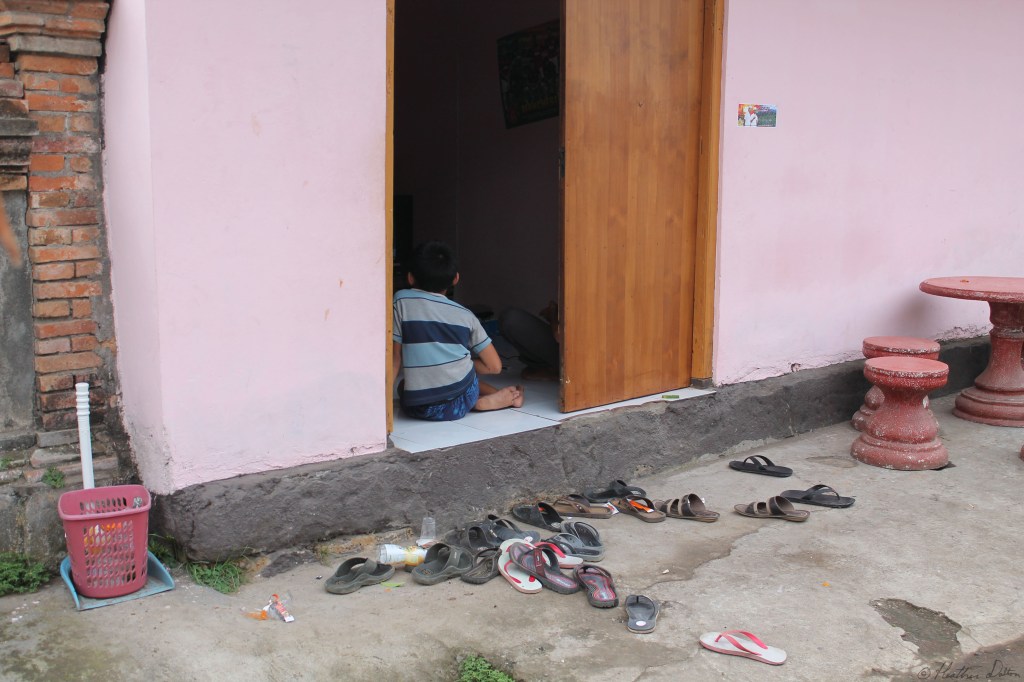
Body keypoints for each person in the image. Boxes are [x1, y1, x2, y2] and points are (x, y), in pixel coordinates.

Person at [392, 241, 523, 421]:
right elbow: (495, 367)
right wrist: (459, 362)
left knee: (403, 386)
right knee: (462, 375)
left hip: (420, 408)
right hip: (461, 401)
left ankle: (495, 396)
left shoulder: (400, 301)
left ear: (410, 278)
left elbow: (395, 358)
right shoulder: (466, 315)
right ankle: (495, 399)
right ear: (456, 279)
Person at [499, 301, 560, 381]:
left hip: (573, 359)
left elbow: (558, 336)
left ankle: (555, 372)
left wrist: (554, 316)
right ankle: (549, 369)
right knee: (508, 318)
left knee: (512, 318)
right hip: (561, 351)